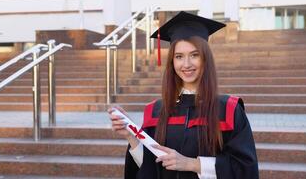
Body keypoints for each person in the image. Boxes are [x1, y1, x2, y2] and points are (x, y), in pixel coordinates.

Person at [109, 11, 259, 179]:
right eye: (179, 57)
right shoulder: (155, 111)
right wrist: (132, 137)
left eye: (194, 55)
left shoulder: (229, 110)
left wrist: (191, 164)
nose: (186, 64)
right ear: (172, 62)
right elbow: (151, 167)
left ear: (205, 59)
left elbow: (245, 169)